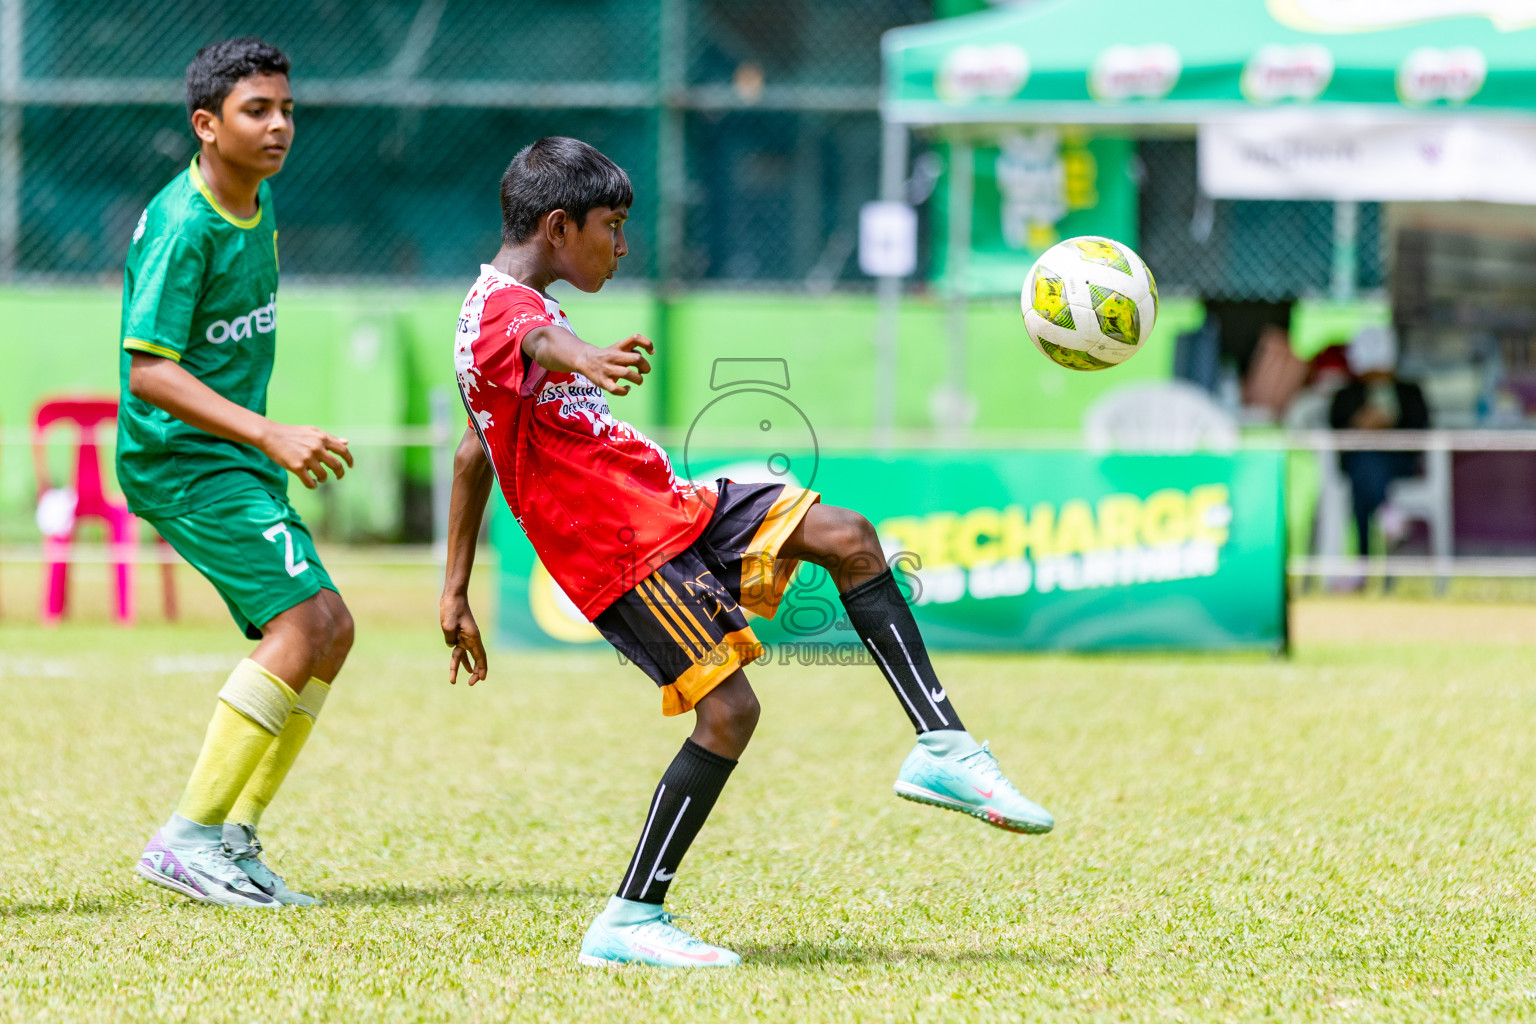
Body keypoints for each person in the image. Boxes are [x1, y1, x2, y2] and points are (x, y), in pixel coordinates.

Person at [439, 136, 1054, 969]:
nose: (622, 247)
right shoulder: (510, 313)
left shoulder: (511, 309)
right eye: (612, 227)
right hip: (620, 547)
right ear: (558, 225)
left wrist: (453, 592)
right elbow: (545, 346)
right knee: (730, 714)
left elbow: (475, 451)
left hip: (671, 505)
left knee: (848, 536)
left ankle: (944, 749)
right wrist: (585, 355)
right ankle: (629, 921)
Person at [118, 38, 355, 908]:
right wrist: (269, 432)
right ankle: (186, 839)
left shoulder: (256, 203)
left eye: (287, 108)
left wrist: (259, 441)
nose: (281, 125)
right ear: (206, 126)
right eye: (258, 111)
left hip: (230, 458)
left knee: (332, 628)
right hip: (184, 462)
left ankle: (231, 836)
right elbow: (149, 370)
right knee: (298, 626)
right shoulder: (187, 225)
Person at [1329, 326, 1430, 557]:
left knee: (1366, 472)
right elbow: (1336, 429)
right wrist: (1360, 424)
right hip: (1358, 462)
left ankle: (1363, 559)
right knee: (1366, 463)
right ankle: (1388, 514)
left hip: (1397, 463)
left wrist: (1389, 424)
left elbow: (1421, 429)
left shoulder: (1409, 392)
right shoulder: (1347, 395)